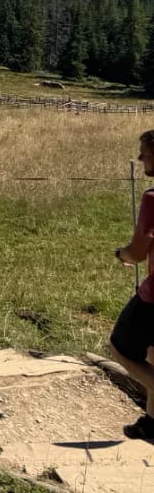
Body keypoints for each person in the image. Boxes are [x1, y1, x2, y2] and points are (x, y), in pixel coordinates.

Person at [114, 129, 154, 439]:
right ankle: (151, 423)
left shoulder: (152, 198)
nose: (140, 157)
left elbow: (139, 251)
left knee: (120, 347)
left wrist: (122, 254)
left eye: (146, 153)